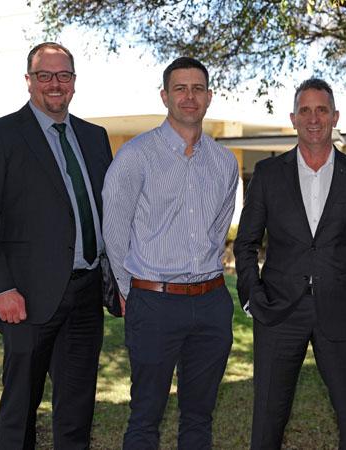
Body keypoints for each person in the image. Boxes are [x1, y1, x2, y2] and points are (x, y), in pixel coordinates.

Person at [0, 42, 112, 449]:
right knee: (19, 413)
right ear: (28, 81)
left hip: (86, 295)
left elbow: (107, 212)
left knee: (77, 412)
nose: (55, 84)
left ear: (75, 83)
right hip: (25, 298)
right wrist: (0, 288)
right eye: (44, 75)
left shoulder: (95, 138)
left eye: (63, 75)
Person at [102, 56, 238, 450]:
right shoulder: (136, 156)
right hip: (154, 302)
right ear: (165, 96)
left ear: (209, 97)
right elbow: (114, 232)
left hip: (211, 302)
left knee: (199, 417)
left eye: (197, 88)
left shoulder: (224, 162)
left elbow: (217, 229)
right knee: (145, 416)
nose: (189, 96)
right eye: (180, 88)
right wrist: (134, 292)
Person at [234, 78, 346, 450]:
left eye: (322, 110)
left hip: (342, 312)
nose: (314, 118)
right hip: (278, 311)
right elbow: (246, 243)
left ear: (335, 117)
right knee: (267, 418)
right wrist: (252, 297)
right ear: (293, 118)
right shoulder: (268, 174)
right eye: (305, 110)